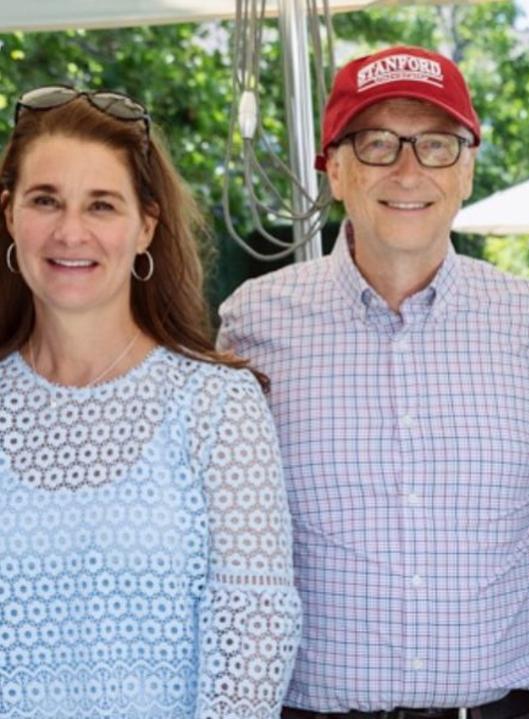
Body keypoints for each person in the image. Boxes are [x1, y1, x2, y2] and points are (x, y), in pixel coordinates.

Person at [218, 46, 529, 719]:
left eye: (437, 145)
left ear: (467, 168)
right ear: (335, 167)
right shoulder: (250, 324)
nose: (409, 169)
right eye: (378, 143)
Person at [0, 87, 301, 718]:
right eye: (45, 200)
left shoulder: (217, 406)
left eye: (101, 205)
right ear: (9, 215)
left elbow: (255, 637)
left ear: (146, 226)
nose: (70, 231)